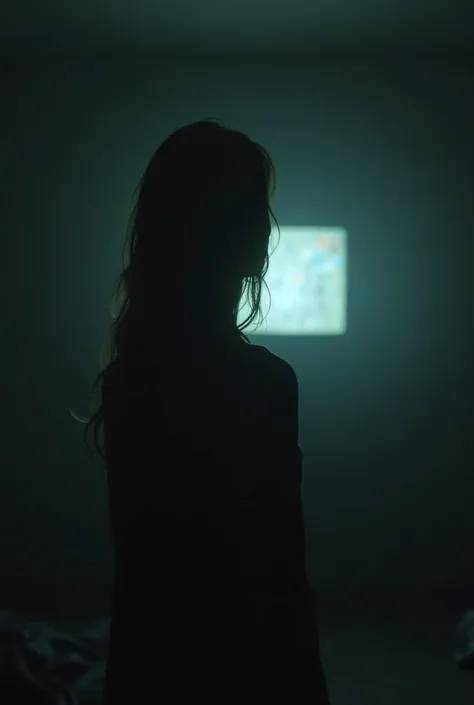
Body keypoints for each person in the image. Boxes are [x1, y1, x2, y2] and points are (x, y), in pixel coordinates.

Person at [79, 118, 330, 704]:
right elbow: (279, 576)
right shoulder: (263, 383)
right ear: (249, 239)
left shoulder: (130, 378)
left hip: (149, 671)